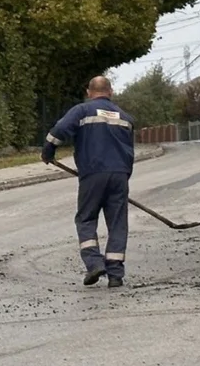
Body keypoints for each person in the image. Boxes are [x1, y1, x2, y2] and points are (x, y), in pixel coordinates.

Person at [41, 76, 136, 288]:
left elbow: (59, 130)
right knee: (118, 223)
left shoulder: (82, 111)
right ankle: (115, 274)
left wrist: (48, 151)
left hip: (93, 173)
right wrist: (123, 176)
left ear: (88, 92)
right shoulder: (125, 117)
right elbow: (130, 151)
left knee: (86, 219)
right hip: (120, 174)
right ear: (110, 92)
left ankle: (94, 263)